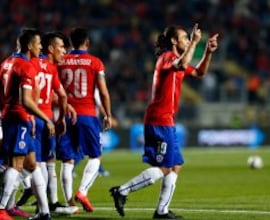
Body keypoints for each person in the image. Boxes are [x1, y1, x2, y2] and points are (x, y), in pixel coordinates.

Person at [109, 23, 218, 219]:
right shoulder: (167, 58)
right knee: (165, 167)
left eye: (188, 38)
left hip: (166, 120)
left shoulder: (177, 60)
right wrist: (195, 42)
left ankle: (162, 211)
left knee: (175, 164)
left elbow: (199, 73)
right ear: (174, 41)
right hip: (159, 121)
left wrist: (208, 52)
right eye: (184, 37)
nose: (187, 40)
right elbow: (183, 64)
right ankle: (122, 191)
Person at [0, 28, 55, 220]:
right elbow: (26, 100)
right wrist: (46, 118)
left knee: (32, 164)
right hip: (18, 118)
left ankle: (44, 212)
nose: (41, 47)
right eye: (39, 43)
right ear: (30, 45)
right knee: (15, 164)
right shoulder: (26, 66)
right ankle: (1, 209)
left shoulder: (6, 63)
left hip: (13, 117)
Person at [56, 27, 112, 212]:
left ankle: (69, 203)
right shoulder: (95, 62)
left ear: (70, 43)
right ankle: (83, 191)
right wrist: (108, 114)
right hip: (87, 114)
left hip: (65, 115)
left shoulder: (61, 61)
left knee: (67, 160)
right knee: (95, 156)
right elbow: (103, 92)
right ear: (87, 42)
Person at [27, 32, 78, 215]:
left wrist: (66, 106)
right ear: (50, 48)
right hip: (42, 119)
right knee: (35, 164)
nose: (65, 51)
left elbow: (47, 94)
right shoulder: (48, 68)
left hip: (35, 118)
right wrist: (61, 117)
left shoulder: (32, 63)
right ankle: (47, 205)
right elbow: (60, 95)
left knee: (41, 162)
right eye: (61, 47)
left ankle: (51, 204)